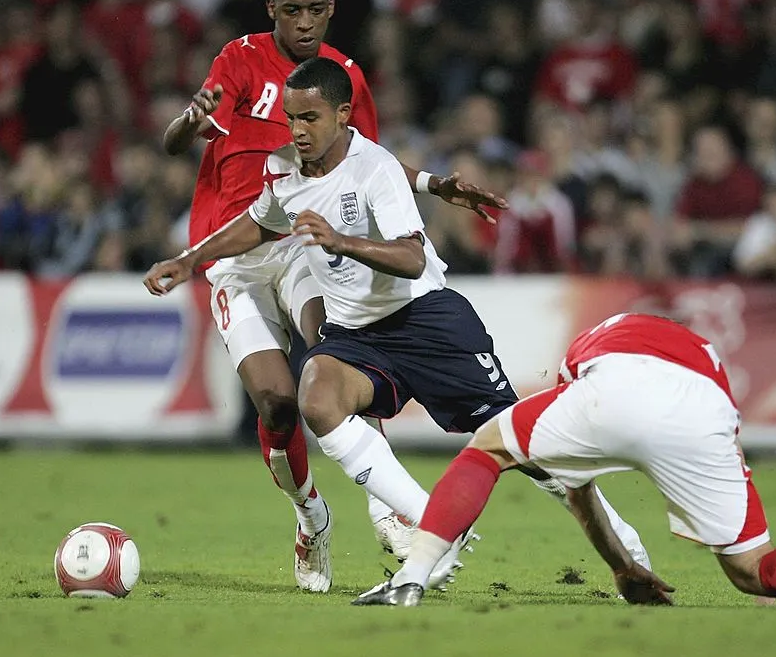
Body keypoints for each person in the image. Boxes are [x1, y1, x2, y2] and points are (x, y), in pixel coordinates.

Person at [145, 57, 651, 594]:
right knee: (317, 395)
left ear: (343, 115)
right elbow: (256, 224)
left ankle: (624, 541)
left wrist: (341, 242)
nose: (298, 130)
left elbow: (411, 258)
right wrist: (189, 259)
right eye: (292, 118)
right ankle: (429, 523)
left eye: (311, 118)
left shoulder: (374, 167)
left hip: (426, 322)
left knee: (524, 447)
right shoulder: (287, 172)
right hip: (359, 338)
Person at [157, 0, 508, 593]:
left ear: (331, 8)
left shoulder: (344, 77)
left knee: (340, 350)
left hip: (297, 244)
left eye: (315, 8)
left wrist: (432, 184)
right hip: (234, 251)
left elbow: (364, 160)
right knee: (277, 404)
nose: (303, 21)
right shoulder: (236, 61)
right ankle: (310, 517)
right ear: (272, 10)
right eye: (291, 9)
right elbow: (178, 142)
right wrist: (191, 119)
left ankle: (391, 510)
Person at [353, 313, 776, 609]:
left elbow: (576, 490)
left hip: (615, 387)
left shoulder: (587, 349)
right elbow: (724, 415)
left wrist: (620, 566)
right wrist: (624, 570)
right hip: (706, 413)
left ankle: (410, 580)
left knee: (487, 448)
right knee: (753, 570)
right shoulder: (699, 353)